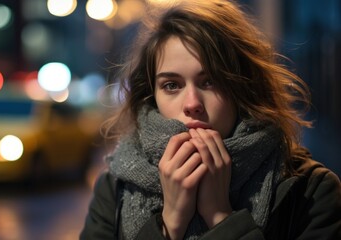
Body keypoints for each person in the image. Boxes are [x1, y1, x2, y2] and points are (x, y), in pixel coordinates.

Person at [80, 0, 341, 239]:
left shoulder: (311, 190)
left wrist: (220, 216)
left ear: (243, 87)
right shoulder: (114, 189)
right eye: (172, 85)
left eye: (210, 81)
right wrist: (170, 222)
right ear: (151, 96)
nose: (192, 104)